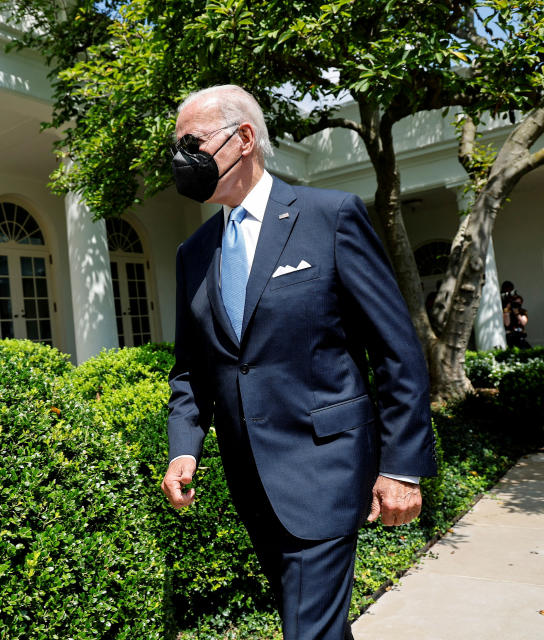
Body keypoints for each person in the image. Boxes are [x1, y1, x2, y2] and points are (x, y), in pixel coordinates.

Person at [159, 85, 437, 640]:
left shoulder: (330, 216)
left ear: (242, 139)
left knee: (307, 631)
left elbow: (395, 350)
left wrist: (401, 466)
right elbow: (192, 369)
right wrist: (183, 447)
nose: (180, 158)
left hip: (326, 469)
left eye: (193, 142)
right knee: (313, 624)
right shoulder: (193, 254)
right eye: (176, 145)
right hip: (253, 481)